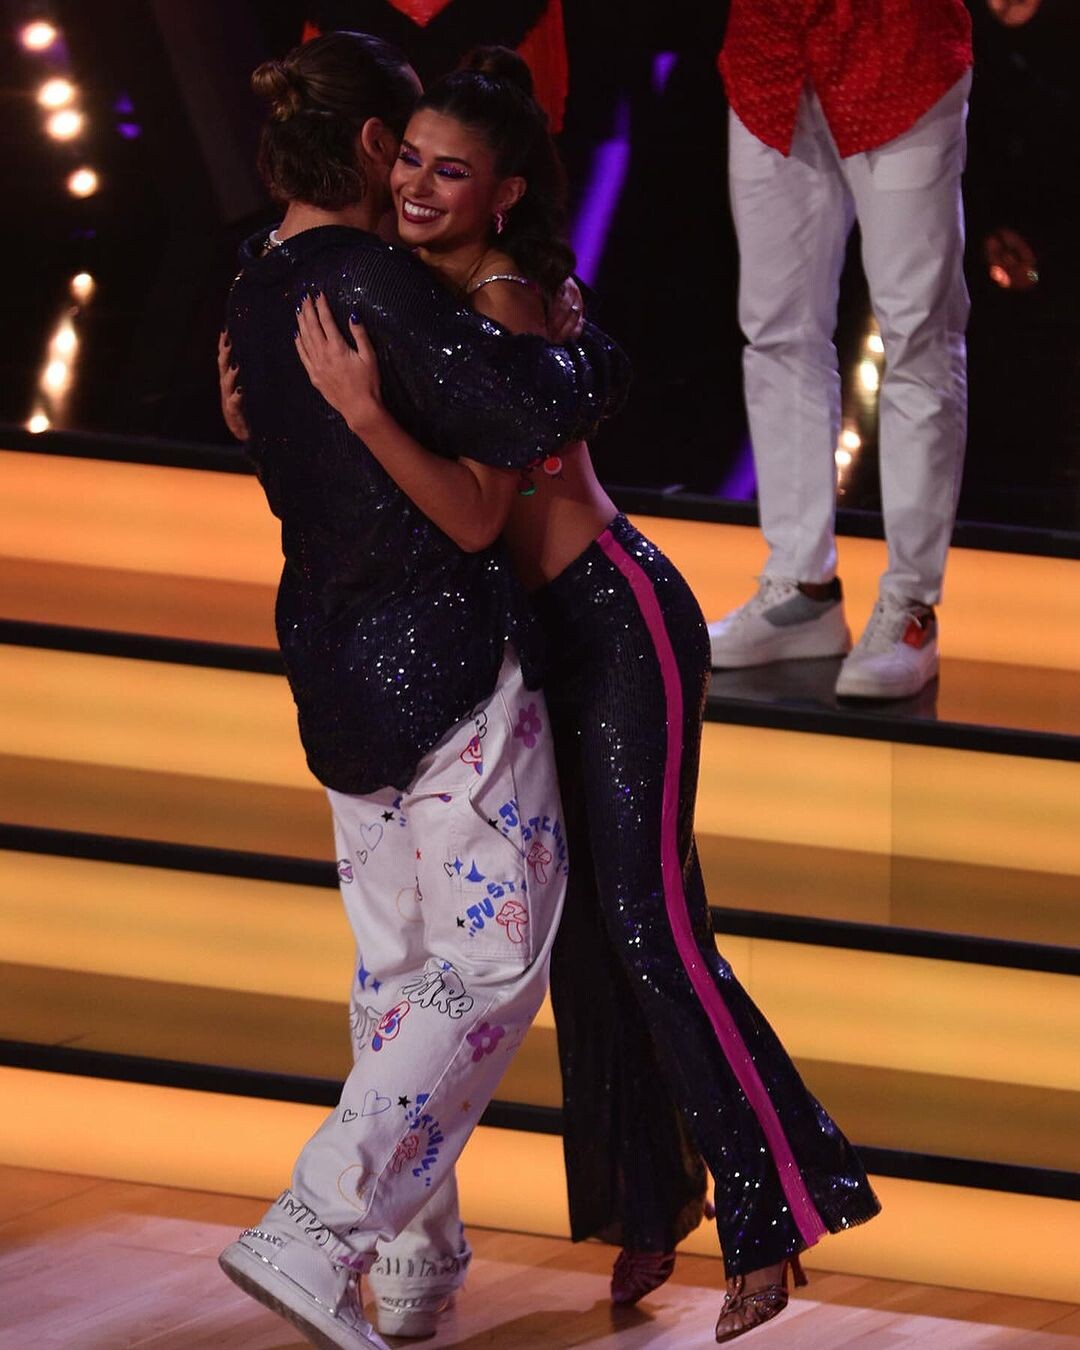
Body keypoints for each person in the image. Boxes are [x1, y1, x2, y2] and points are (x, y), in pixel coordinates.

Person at [295, 46, 881, 1345]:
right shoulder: (415, 288)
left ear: (503, 194)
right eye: (411, 161)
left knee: (653, 926)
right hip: (521, 648)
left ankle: (774, 1213)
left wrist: (394, 399)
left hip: (617, 625)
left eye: (453, 172)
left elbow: (499, 471)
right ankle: (649, 1201)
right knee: (584, 942)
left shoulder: (505, 300)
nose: (419, 186)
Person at [215, 30, 630, 1350]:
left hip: (333, 670)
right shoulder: (376, 286)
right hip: (438, 665)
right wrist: (576, 345)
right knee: (488, 959)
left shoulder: (254, 282)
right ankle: (317, 1227)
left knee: (398, 970)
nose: (411, 177)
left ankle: (414, 1261)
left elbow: (274, 435)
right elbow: (525, 426)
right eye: (401, 149)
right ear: (364, 146)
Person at [708, 0, 974, 700]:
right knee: (776, 329)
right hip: (769, 54)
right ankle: (802, 589)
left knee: (917, 333)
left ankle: (911, 606)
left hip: (896, 47)